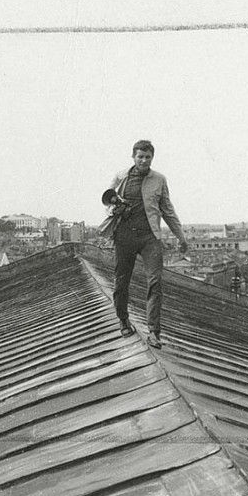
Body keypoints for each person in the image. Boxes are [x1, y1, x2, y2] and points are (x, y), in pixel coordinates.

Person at [102, 140, 187, 348]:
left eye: (147, 157)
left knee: (155, 282)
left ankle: (154, 331)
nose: (143, 160)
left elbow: (167, 210)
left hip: (150, 237)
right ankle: (123, 320)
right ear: (133, 156)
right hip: (124, 236)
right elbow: (108, 202)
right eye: (140, 156)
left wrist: (181, 237)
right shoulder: (121, 176)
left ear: (152, 158)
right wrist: (115, 210)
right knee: (121, 281)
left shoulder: (159, 179)